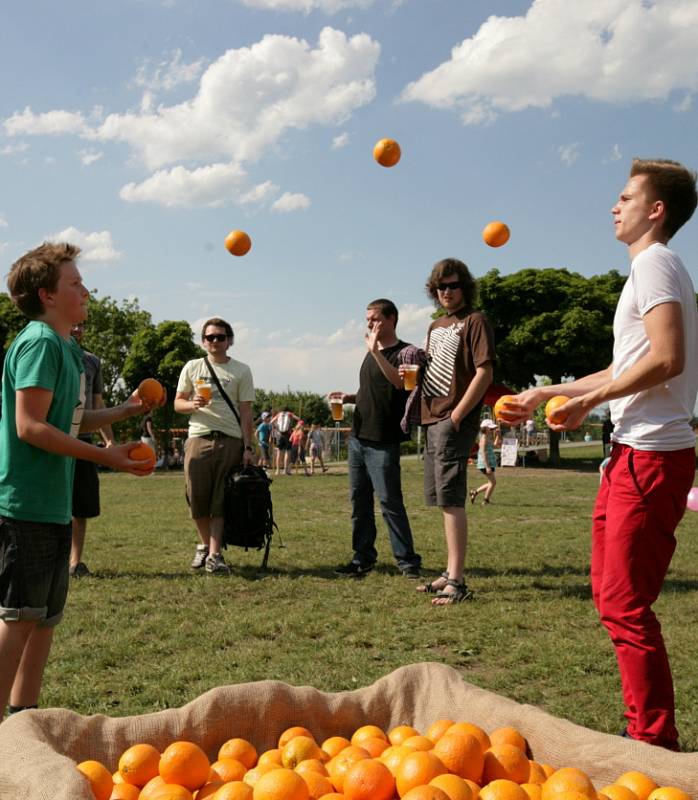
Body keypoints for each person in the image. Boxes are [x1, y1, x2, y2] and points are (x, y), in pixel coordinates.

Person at [504, 159, 698, 749]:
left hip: (652, 454)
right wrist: (552, 390)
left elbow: (669, 358)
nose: (614, 206)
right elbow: (625, 366)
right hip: (628, 454)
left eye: (625, 196)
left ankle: (653, 740)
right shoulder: (645, 270)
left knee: (624, 602)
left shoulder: (657, 262)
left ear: (656, 210)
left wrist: (590, 402)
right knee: (612, 596)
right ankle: (643, 727)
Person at [0, 242, 157, 719]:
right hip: (24, 505)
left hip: (50, 505)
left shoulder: (67, 347)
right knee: (18, 619)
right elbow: (30, 426)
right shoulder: (40, 343)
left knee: (42, 621)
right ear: (47, 295)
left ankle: (26, 722)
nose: (86, 289)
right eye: (75, 282)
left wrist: (125, 410)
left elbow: (68, 419)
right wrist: (105, 457)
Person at [406, 259, 495, 605]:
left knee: (452, 497)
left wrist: (458, 414)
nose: (446, 292)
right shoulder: (435, 326)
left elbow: (484, 372)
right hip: (430, 418)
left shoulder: (475, 321)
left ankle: (456, 581)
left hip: (451, 419)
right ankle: (448, 571)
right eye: (440, 287)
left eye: (453, 285)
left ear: (465, 288)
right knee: (441, 498)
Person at [332, 298, 422, 579]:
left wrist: (375, 352)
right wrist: (348, 398)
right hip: (358, 439)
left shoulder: (403, 353)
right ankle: (363, 558)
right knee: (359, 504)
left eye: (374, 319)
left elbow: (398, 383)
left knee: (390, 503)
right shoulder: (372, 354)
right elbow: (372, 391)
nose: (369, 324)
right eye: (367, 319)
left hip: (383, 440)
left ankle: (408, 563)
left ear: (391, 319)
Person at [174, 317, 255, 575]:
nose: (215, 342)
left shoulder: (242, 370)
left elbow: (246, 413)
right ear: (203, 342)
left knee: (221, 499)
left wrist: (247, 447)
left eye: (221, 337)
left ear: (229, 341)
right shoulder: (192, 367)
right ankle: (204, 546)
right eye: (210, 337)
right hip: (199, 437)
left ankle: (215, 553)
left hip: (229, 440)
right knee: (196, 497)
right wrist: (192, 404)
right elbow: (177, 403)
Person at [69, 322, 115, 578]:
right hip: (55, 439)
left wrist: (109, 440)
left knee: (81, 506)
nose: (78, 329)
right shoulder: (50, 353)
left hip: (84, 440)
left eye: (82, 325)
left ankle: (75, 562)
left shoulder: (92, 362)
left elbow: (97, 405)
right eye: (74, 324)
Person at [470, 418, 499, 505]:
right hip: (485, 464)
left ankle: (474, 492)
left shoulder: (488, 436)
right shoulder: (484, 438)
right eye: (491, 428)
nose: (492, 430)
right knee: (493, 483)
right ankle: (486, 501)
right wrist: (487, 466)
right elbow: (483, 452)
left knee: (491, 482)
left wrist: (498, 435)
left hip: (489, 462)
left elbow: (494, 446)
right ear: (485, 428)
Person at [270, 407, 299, 476]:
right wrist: (295, 428)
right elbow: (298, 419)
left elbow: (271, 422)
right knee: (288, 452)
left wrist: (276, 427)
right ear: (287, 410)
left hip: (279, 435)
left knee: (279, 452)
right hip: (287, 434)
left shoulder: (278, 414)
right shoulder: (289, 414)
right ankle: (285, 471)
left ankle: (277, 471)